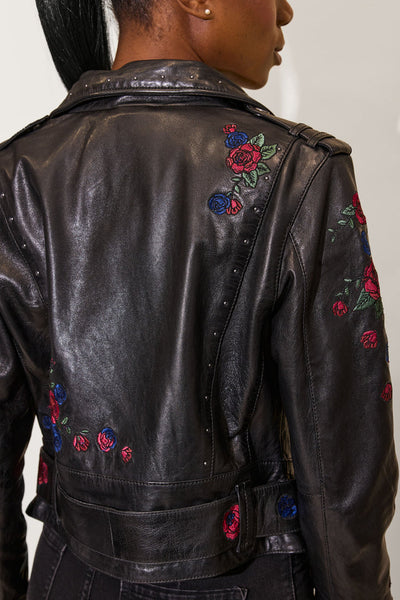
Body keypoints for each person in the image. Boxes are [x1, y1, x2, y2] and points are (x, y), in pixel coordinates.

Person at [0, 0, 397, 598]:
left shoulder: (18, 175)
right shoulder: (301, 174)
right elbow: (345, 481)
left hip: (68, 579)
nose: (286, 10)